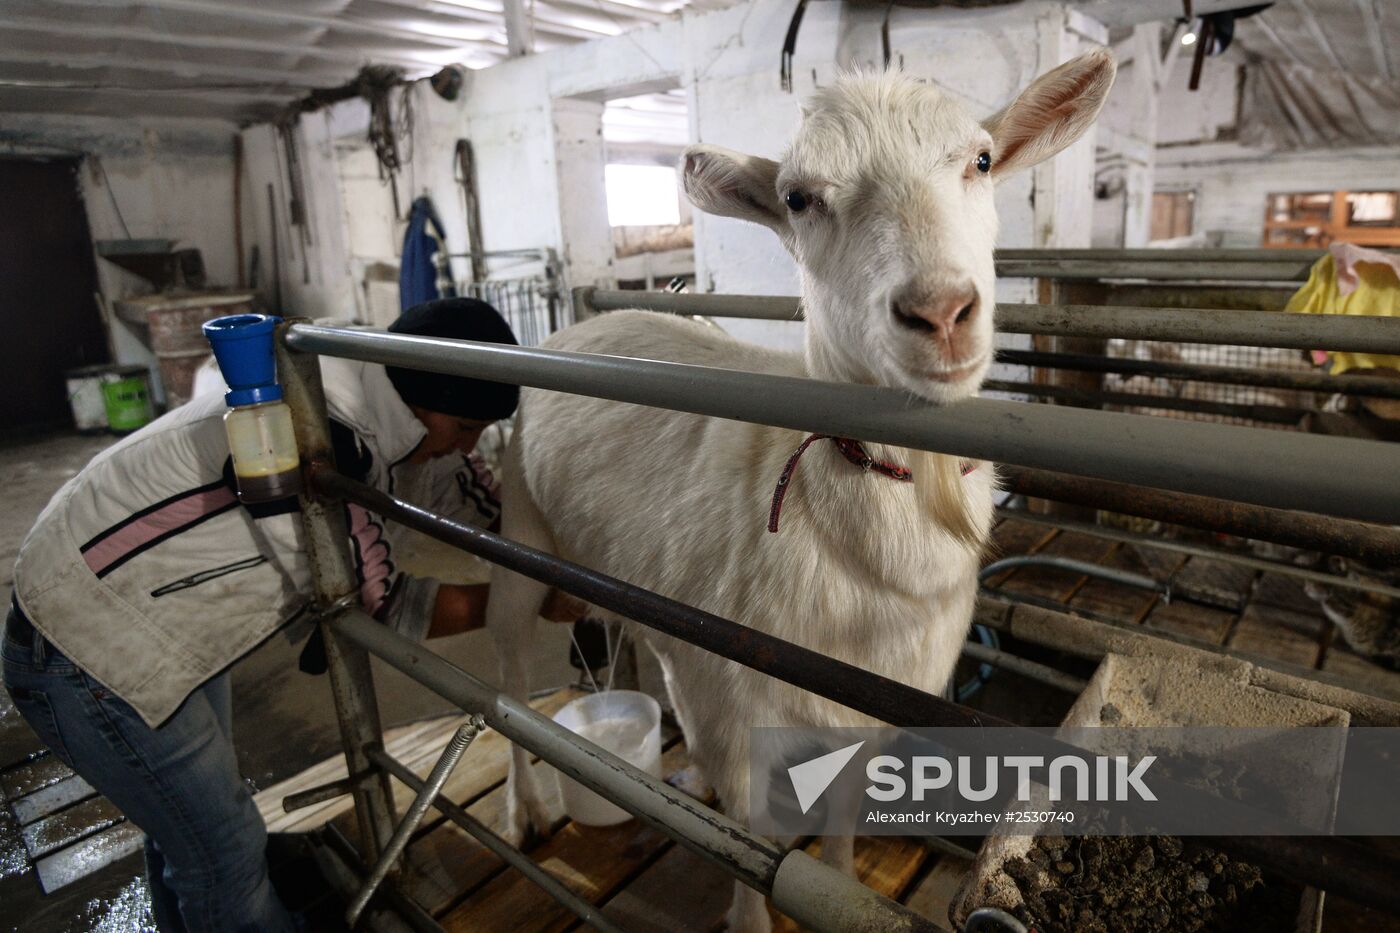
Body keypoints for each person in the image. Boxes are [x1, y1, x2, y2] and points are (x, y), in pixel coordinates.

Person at [2, 297, 578, 932]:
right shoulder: (321, 441)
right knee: (223, 857)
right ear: (428, 399)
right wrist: (528, 600)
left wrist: (555, 549)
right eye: (466, 429)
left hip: (143, 609)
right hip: (90, 641)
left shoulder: (382, 394)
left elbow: (466, 491)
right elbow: (372, 602)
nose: (468, 448)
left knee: (185, 836)